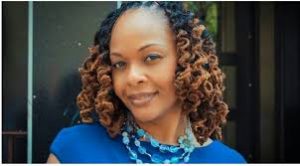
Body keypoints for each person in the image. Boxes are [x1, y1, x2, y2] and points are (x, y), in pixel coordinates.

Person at [47, 1, 246, 163]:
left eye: (151, 57)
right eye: (120, 64)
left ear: (187, 62)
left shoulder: (228, 161)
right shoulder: (74, 150)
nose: (133, 77)